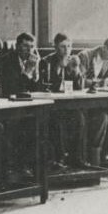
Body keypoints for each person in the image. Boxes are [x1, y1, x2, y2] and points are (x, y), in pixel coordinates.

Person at [39, 33, 84, 169]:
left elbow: (79, 88)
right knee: (57, 122)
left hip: (68, 105)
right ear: (55, 47)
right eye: (63, 46)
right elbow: (46, 86)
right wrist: (59, 68)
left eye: (69, 46)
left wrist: (76, 71)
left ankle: (76, 158)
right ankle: (59, 159)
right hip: (51, 105)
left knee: (79, 118)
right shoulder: (46, 62)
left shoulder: (73, 61)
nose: (67, 50)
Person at [75, 39, 108, 166]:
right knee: (83, 120)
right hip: (81, 103)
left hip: (96, 102)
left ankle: (97, 158)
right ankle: (84, 158)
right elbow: (80, 81)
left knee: (106, 117)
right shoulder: (85, 56)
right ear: (104, 48)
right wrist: (100, 82)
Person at [0, 32, 43, 96]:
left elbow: (38, 90)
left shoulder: (33, 61)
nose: (29, 50)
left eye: (32, 47)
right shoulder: (6, 61)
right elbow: (14, 90)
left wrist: (36, 69)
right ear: (17, 46)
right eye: (25, 46)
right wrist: (27, 72)